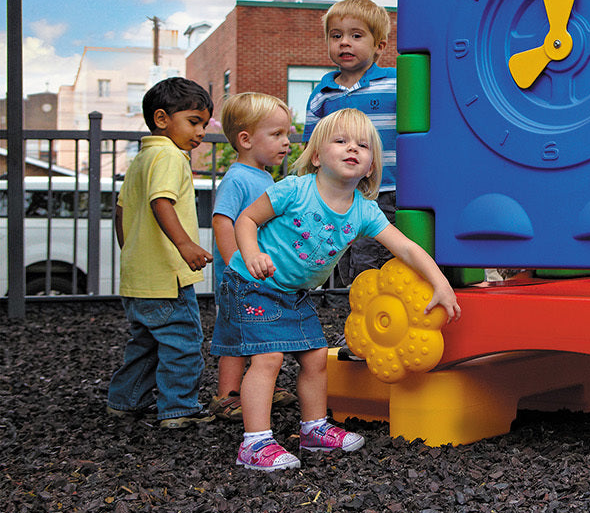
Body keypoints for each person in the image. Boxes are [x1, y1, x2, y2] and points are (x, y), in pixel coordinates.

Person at [223, 108, 462, 471]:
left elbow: (408, 248)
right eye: (341, 141)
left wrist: (441, 284)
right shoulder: (294, 190)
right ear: (317, 156)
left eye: (363, 145)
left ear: (370, 167)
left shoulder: (364, 212)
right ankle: (254, 443)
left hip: (293, 293)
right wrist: (251, 253)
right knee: (268, 358)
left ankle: (314, 428)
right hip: (252, 284)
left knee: (317, 357)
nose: (353, 148)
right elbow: (247, 218)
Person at [106, 77, 215, 428]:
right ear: (162, 118)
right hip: (168, 278)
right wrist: (184, 244)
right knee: (183, 343)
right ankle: (179, 409)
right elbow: (161, 201)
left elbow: (121, 211)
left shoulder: (142, 158)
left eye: (203, 123)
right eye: (193, 121)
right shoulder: (170, 156)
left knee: (147, 344)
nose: (200, 132)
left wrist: (134, 254)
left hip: (139, 277)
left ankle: (124, 401)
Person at [206, 92, 299, 421]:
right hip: (240, 278)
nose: (286, 142)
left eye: (286, 133)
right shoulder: (237, 179)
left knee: (262, 331)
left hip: (259, 274)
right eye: (277, 135)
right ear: (245, 140)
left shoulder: (261, 175)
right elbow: (222, 221)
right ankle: (227, 396)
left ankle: (261, 386)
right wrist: (235, 265)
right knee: (234, 335)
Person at [304, 0, 398, 287]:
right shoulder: (323, 94)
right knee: (344, 262)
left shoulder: (395, 83)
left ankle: (378, 320)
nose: (345, 43)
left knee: (376, 263)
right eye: (336, 36)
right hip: (341, 194)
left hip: (387, 191)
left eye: (356, 36)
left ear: (379, 46)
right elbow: (311, 149)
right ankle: (357, 317)